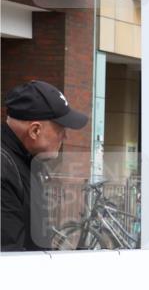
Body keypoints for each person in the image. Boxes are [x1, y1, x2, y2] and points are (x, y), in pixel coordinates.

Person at [2, 80, 89, 252]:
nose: (65, 138)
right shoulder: (5, 169)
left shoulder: (29, 161)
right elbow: (8, 255)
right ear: (35, 130)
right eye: (61, 130)